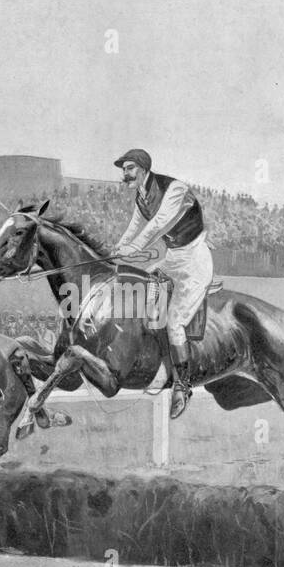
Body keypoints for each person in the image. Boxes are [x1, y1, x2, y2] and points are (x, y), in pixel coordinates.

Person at [112, 148, 213, 419]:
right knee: (143, 294)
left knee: (175, 321)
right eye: (124, 169)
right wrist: (116, 248)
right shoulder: (142, 196)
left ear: (144, 169)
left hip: (195, 262)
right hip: (172, 260)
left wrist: (132, 247)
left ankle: (183, 385)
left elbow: (158, 224)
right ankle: (155, 363)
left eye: (130, 168)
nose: (125, 174)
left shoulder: (175, 189)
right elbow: (134, 226)